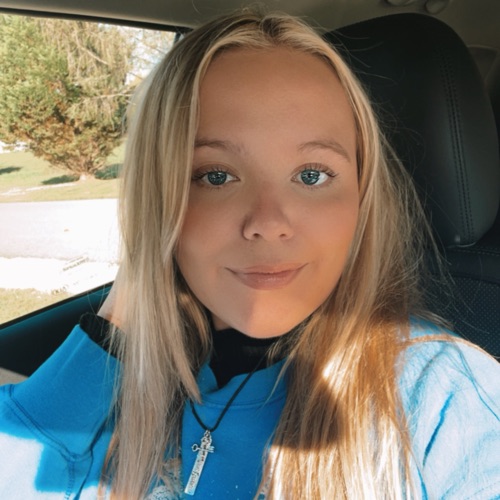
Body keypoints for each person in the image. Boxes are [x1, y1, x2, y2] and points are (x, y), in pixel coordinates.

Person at [0, 9, 499, 500]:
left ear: (362, 198)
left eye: (312, 175)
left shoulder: (443, 396)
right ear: (159, 199)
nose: (268, 221)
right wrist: (127, 307)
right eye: (216, 176)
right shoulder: (130, 380)